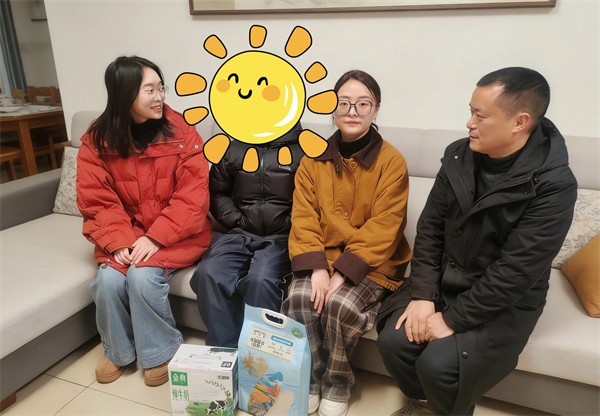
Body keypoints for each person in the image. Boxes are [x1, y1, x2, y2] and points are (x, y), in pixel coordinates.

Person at [377, 67, 578, 416]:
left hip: (503, 300)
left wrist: (452, 319)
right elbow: (430, 230)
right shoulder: (459, 155)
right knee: (395, 340)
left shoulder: (553, 184)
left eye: (480, 116)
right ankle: (422, 404)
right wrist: (423, 295)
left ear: (519, 122)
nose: (469, 123)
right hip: (445, 279)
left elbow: (516, 271)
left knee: (440, 364)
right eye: (470, 111)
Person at [281, 69, 412, 416]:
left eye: (363, 104)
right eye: (344, 103)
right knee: (300, 298)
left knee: (339, 305)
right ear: (332, 107)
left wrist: (342, 273)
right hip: (321, 256)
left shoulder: (392, 162)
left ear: (376, 109)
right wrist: (318, 269)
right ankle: (310, 379)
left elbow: (385, 226)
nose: (352, 111)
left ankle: (337, 382)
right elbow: (304, 216)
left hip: (374, 262)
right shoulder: (313, 158)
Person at [76, 56, 212, 387]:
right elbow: (97, 200)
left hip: (178, 232)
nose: (159, 97)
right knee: (108, 280)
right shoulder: (96, 141)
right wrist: (119, 241)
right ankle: (117, 351)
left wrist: (155, 237)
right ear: (124, 95)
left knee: (142, 276)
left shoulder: (182, 132)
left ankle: (160, 351)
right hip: (128, 232)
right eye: (149, 90)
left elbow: (193, 196)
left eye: (160, 88)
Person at [189, 121, 303, 348]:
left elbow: (313, 199)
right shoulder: (235, 147)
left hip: (282, 239)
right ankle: (224, 348)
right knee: (209, 272)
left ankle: (259, 354)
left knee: (261, 280)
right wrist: (236, 220)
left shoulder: (303, 150)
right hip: (238, 232)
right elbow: (217, 192)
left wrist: (287, 224)